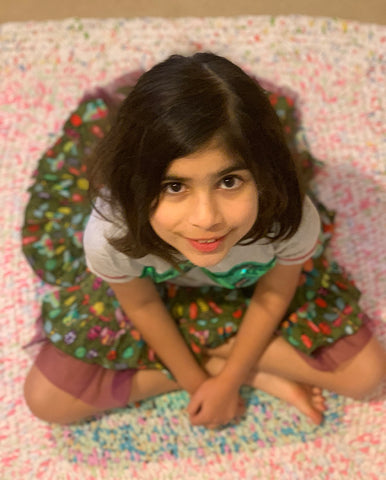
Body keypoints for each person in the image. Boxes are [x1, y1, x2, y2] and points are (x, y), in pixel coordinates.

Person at [23, 53, 385, 429]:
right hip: (158, 300)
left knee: (367, 376)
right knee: (47, 401)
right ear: (136, 183)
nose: (206, 219)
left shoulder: (287, 216)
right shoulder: (113, 233)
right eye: (174, 186)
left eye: (229, 181)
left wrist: (227, 382)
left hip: (250, 297)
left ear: (262, 174)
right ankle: (253, 369)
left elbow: (274, 295)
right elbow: (143, 304)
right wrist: (204, 385)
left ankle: (225, 360)